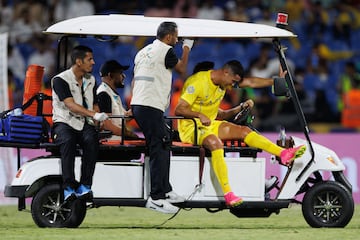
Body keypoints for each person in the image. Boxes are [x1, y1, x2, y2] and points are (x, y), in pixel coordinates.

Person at [174, 60, 306, 207]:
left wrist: (275, 81)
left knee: (244, 131)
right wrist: (199, 115)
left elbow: (250, 83)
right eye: (232, 82)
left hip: (209, 125)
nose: (232, 87)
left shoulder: (223, 82)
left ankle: (283, 154)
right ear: (225, 73)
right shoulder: (197, 82)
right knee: (215, 142)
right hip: (191, 127)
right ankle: (228, 193)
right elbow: (179, 110)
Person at [130, 21, 194, 214]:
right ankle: (156, 197)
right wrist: (187, 47)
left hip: (141, 103)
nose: (177, 39)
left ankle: (165, 190)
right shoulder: (166, 50)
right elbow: (182, 70)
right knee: (159, 146)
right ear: (168, 37)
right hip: (150, 105)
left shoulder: (142, 51)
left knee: (164, 143)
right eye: (176, 36)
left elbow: (135, 79)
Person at [51, 45, 109, 201]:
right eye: (90, 59)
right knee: (68, 140)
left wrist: (97, 120)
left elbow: (94, 102)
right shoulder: (60, 80)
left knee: (92, 141)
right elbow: (70, 105)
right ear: (78, 61)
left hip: (84, 123)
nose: (94, 62)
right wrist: (94, 115)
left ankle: (85, 186)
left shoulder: (91, 79)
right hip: (64, 122)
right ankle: (68, 187)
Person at [97, 60, 139, 140]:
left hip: (117, 141)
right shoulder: (103, 94)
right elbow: (107, 125)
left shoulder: (111, 93)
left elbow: (122, 118)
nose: (124, 76)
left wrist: (137, 109)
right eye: (120, 73)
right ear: (110, 75)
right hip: (110, 143)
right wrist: (127, 133)